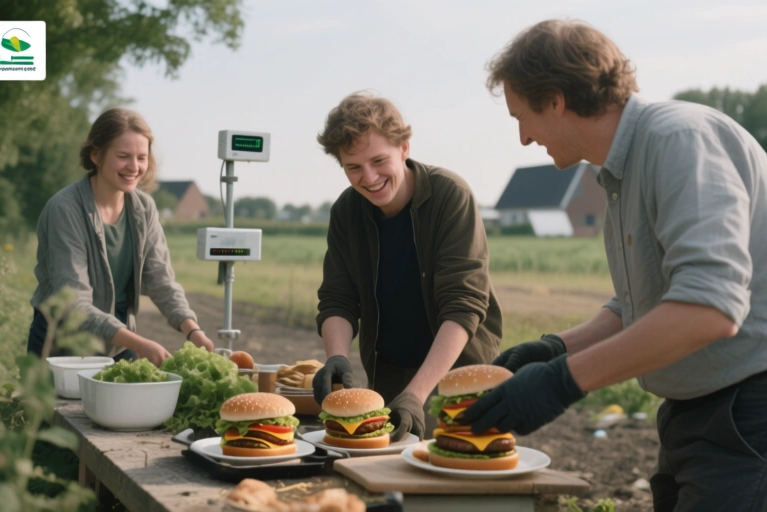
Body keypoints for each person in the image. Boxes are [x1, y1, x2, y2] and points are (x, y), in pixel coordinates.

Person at [463, 19, 767, 511]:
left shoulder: (678, 140)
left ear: (555, 101)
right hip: (695, 413)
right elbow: (646, 303)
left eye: (522, 117)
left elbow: (709, 307)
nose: (523, 138)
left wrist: (563, 381)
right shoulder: (623, 170)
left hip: (748, 413)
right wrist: (553, 349)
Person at [313, 92, 502, 440]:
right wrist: (336, 357)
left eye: (378, 160)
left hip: (457, 373)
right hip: (388, 372)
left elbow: (463, 305)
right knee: (386, 466)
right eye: (354, 167)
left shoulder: (450, 195)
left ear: (404, 148)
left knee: (452, 463)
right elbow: (338, 298)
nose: (369, 177)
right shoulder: (346, 211)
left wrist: (417, 394)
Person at [27, 108, 215, 366]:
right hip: (62, 346)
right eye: (123, 156)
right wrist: (140, 344)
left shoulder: (144, 208)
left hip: (117, 345)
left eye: (141, 157)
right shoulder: (65, 209)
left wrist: (193, 330)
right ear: (96, 155)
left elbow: (161, 280)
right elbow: (74, 301)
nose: (134, 167)